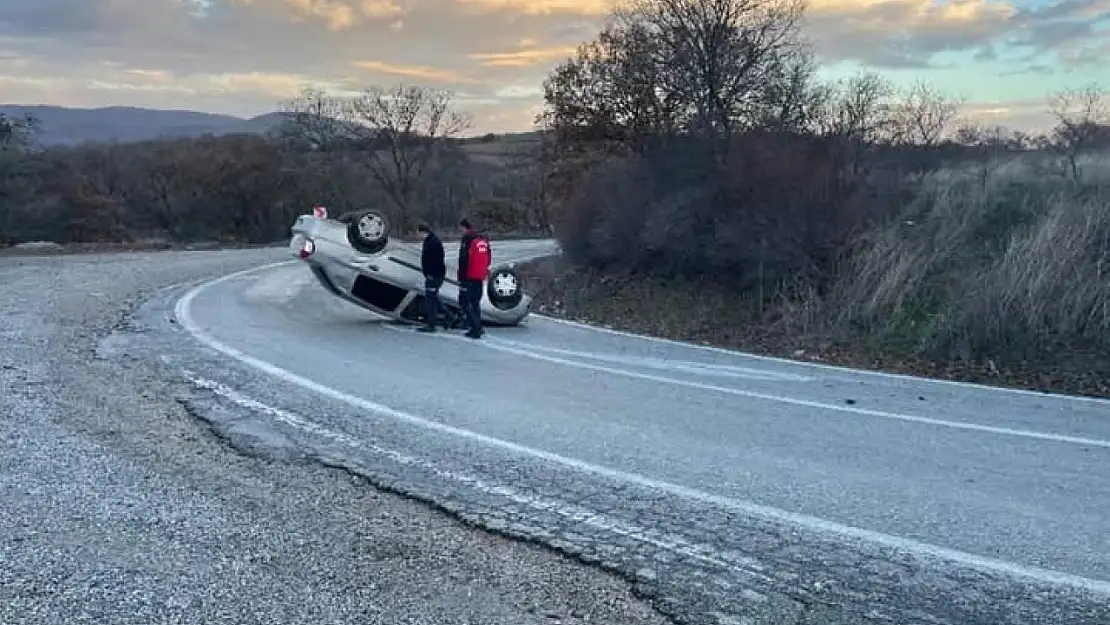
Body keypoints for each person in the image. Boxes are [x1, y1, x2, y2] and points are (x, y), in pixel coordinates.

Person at [456, 218, 490, 339]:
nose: (459, 231)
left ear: (464, 227)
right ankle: (478, 326)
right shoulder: (482, 239)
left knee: (464, 302)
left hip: (468, 276)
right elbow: (489, 257)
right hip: (479, 275)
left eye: (460, 228)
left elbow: (463, 259)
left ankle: (474, 328)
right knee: (475, 302)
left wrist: (461, 276)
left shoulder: (467, 239)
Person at [416, 222, 446, 333]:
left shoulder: (433, 242)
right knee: (433, 297)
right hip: (433, 274)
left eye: (419, 233)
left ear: (424, 232)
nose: (418, 235)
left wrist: (431, 274)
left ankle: (431, 324)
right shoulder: (430, 241)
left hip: (434, 275)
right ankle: (449, 316)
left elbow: (436, 260)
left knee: (431, 301)